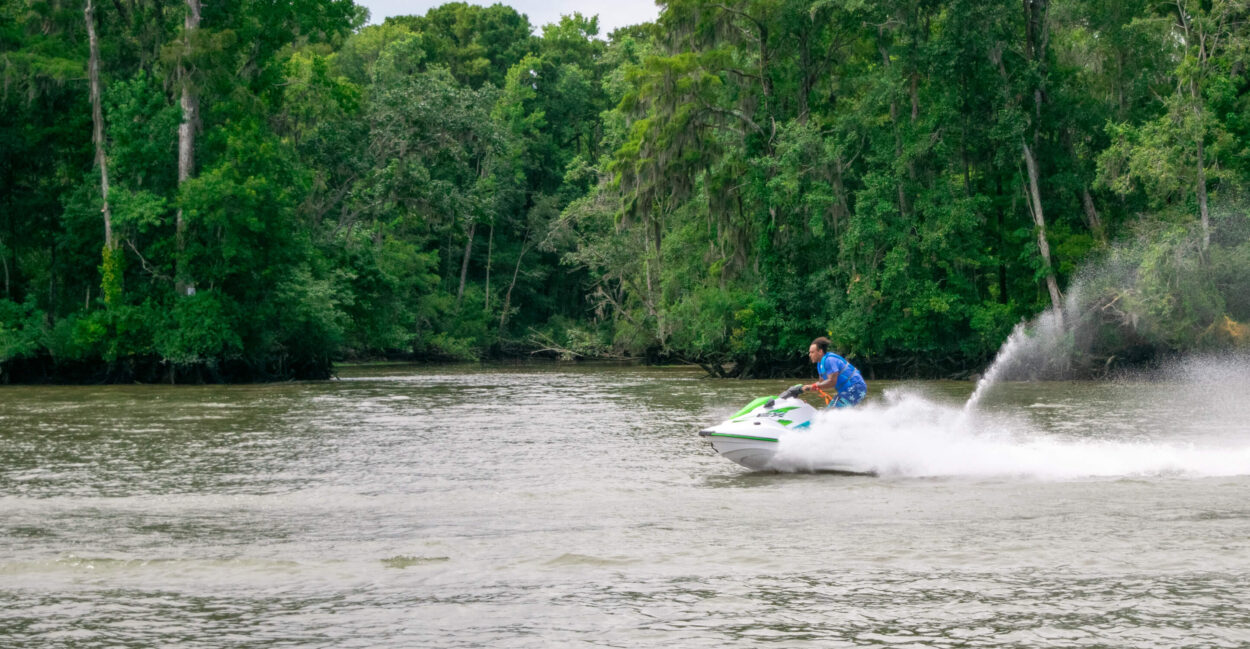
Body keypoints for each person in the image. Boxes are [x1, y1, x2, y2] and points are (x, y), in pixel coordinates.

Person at [798, 336, 867, 408]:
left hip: (855, 387)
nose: (810, 355)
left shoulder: (829, 360)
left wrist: (813, 386)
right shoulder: (820, 364)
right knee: (829, 412)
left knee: (831, 412)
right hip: (846, 390)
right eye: (810, 352)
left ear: (820, 351)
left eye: (812, 352)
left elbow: (832, 381)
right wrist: (806, 388)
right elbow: (821, 384)